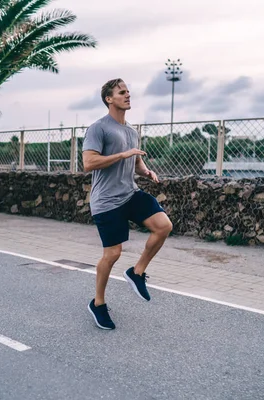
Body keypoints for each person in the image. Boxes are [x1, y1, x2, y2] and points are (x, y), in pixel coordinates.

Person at [82, 78, 173, 330]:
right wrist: (122, 154)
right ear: (109, 99)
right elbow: (89, 163)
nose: (127, 95)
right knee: (112, 254)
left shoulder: (131, 131)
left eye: (128, 92)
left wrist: (146, 171)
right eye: (122, 93)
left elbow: (136, 162)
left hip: (129, 193)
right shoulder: (98, 128)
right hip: (107, 201)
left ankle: (137, 272)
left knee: (163, 226)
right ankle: (98, 304)